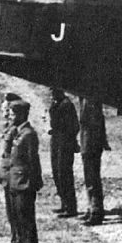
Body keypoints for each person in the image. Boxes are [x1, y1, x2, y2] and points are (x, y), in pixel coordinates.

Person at [7, 99, 43, 243]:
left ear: (21, 115)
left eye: (13, 113)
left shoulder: (28, 134)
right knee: (20, 220)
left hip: (24, 184)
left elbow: (33, 161)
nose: (10, 116)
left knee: (27, 222)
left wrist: (34, 183)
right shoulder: (18, 132)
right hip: (16, 182)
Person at [78, 97, 111, 225]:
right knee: (90, 179)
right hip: (87, 143)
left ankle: (96, 211)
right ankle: (92, 207)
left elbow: (95, 123)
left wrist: (100, 142)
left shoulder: (90, 100)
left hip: (91, 144)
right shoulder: (86, 99)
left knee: (92, 179)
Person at [0, 92, 23, 243]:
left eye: (7, 110)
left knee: (16, 213)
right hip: (8, 175)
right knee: (11, 212)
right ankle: (15, 241)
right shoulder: (9, 127)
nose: (5, 113)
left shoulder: (16, 130)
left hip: (13, 175)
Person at [48, 88, 79, 217]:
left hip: (65, 142)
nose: (52, 93)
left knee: (64, 173)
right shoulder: (56, 103)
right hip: (56, 140)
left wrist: (69, 139)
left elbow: (74, 126)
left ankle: (70, 207)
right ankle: (64, 203)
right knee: (57, 172)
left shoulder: (66, 105)